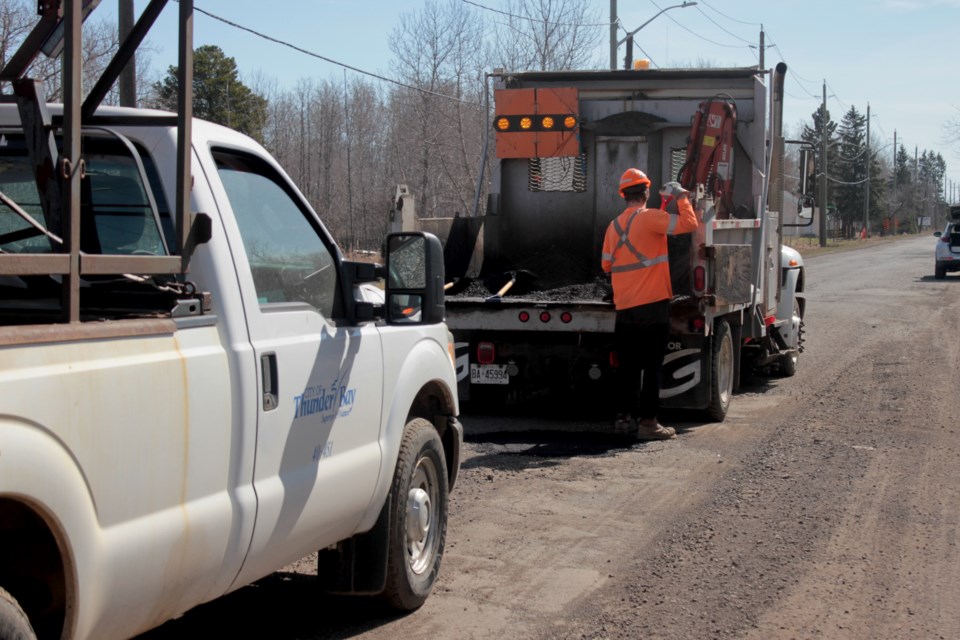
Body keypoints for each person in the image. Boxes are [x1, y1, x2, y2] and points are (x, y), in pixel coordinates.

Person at [601, 168, 699, 440]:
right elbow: (689, 224)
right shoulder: (652, 219)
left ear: (624, 195)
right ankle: (648, 424)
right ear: (646, 192)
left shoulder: (613, 226)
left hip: (625, 309)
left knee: (628, 368)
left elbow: (606, 264)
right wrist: (681, 197)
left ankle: (623, 419)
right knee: (652, 367)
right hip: (653, 308)